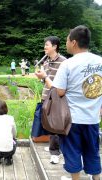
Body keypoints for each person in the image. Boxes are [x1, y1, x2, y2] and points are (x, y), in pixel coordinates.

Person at [52, 25, 102, 180]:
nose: (65, 43)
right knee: (92, 152)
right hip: (92, 118)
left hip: (72, 119)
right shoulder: (100, 61)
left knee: (72, 152)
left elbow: (59, 91)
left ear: (73, 42)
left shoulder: (67, 64)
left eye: (67, 40)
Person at [34, 36, 66, 164]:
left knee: (56, 125)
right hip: (46, 96)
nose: (44, 48)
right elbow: (45, 80)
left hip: (57, 97)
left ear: (54, 46)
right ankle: (55, 147)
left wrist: (44, 77)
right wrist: (40, 77)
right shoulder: (46, 62)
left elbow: (63, 82)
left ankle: (55, 152)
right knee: (49, 124)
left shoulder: (64, 62)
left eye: (47, 45)